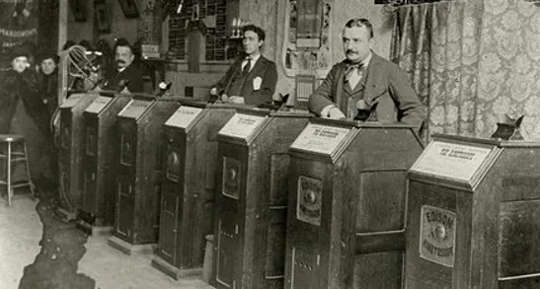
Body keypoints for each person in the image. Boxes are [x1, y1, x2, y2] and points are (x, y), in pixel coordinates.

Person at [308, 18, 426, 129]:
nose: (349, 46)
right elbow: (315, 98)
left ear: (371, 43)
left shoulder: (390, 70)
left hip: (376, 145)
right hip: (342, 142)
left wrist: (395, 139)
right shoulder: (337, 70)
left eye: (356, 41)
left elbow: (415, 110)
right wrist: (331, 110)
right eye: (346, 40)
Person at [210, 24, 278, 106]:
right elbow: (220, 85)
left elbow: (267, 96)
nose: (246, 42)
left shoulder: (269, 66)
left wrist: (244, 100)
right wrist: (222, 94)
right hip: (228, 108)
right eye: (245, 39)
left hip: (249, 113)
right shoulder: (237, 63)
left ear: (260, 42)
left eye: (251, 39)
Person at [36, 51, 59, 117]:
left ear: (55, 65)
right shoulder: (37, 78)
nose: (46, 67)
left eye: (50, 63)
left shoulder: (60, 79)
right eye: (44, 63)